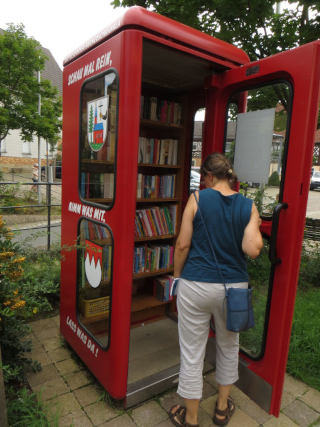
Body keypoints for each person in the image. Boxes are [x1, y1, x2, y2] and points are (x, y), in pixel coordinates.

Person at [169, 153, 263, 427]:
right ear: (230, 177)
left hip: (195, 286)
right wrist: (253, 221)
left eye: (203, 178)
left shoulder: (197, 199)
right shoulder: (248, 205)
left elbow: (182, 245)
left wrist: (176, 277)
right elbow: (252, 250)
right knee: (228, 346)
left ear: (208, 177)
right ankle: (222, 409)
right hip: (232, 290)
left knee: (192, 351)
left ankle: (191, 417)